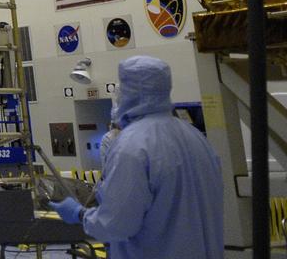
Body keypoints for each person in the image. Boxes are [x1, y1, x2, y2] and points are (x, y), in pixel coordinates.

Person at [49, 55, 223, 259]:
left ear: (131, 91)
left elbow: (116, 225)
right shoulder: (195, 138)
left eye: (121, 87)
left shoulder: (132, 146)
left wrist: (80, 214)